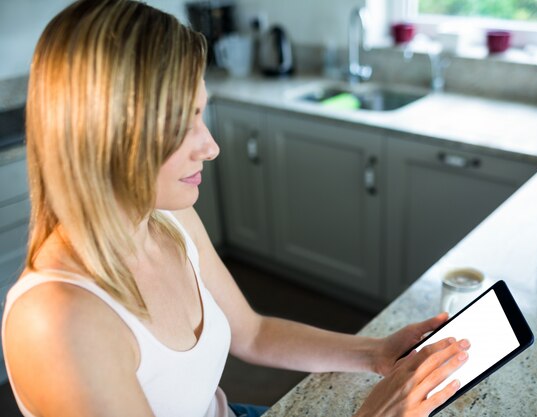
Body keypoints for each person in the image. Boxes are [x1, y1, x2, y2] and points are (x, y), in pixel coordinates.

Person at [1, 1, 470, 416]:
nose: (210, 147)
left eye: (202, 114)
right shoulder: (59, 324)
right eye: (182, 125)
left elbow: (255, 333)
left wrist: (377, 352)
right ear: (104, 136)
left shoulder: (166, 218)